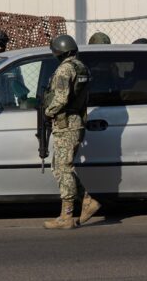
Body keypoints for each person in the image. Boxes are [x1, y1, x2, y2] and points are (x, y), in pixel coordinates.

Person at [43, 34, 101, 229]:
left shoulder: (64, 70)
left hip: (66, 123)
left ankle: (67, 216)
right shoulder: (81, 67)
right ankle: (86, 201)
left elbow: (60, 98)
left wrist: (47, 111)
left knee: (63, 168)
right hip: (76, 121)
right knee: (61, 166)